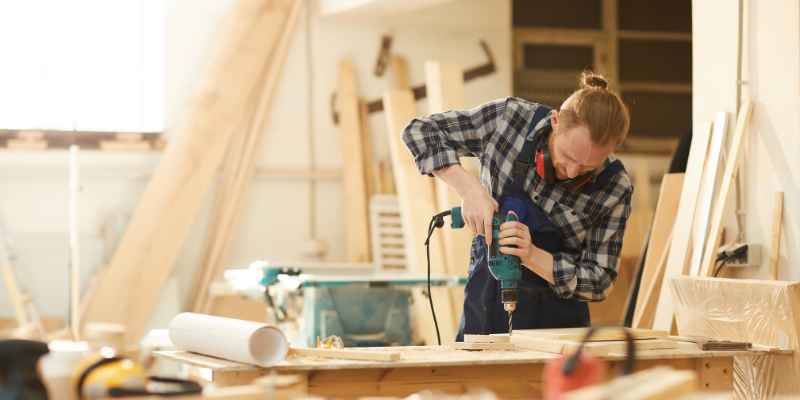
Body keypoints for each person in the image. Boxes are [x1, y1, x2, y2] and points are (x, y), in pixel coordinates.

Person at [402, 72, 633, 339]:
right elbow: (419, 132)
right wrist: (470, 189)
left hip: (558, 325)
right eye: (567, 156)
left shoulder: (615, 186)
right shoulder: (509, 120)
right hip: (487, 300)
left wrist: (532, 255)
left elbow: (599, 280)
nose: (571, 173)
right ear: (555, 122)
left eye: (587, 167)